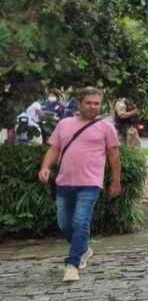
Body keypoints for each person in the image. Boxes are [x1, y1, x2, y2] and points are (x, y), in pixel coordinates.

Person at [36, 87, 121, 283]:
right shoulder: (65, 124)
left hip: (91, 183)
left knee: (80, 222)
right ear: (80, 103)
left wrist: (116, 181)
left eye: (96, 103)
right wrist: (45, 168)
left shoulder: (106, 127)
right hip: (64, 182)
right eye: (89, 103)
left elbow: (114, 156)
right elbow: (54, 149)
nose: (93, 107)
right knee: (64, 224)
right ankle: (83, 249)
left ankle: (72, 264)